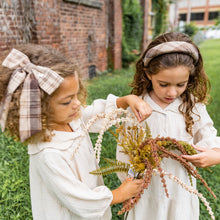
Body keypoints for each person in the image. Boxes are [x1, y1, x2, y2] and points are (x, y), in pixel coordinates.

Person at [0, 44, 152, 220]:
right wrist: (118, 194)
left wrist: (124, 101)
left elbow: (95, 114)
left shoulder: (69, 119)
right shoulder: (48, 153)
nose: (77, 104)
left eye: (76, 95)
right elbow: (78, 199)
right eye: (67, 101)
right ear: (37, 108)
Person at [116, 32, 220, 220]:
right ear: (148, 74)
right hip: (146, 192)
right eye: (163, 84)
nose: (172, 92)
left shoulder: (193, 106)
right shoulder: (138, 106)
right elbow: (124, 153)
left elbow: (208, 136)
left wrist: (215, 154)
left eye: (181, 84)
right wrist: (127, 186)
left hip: (180, 191)